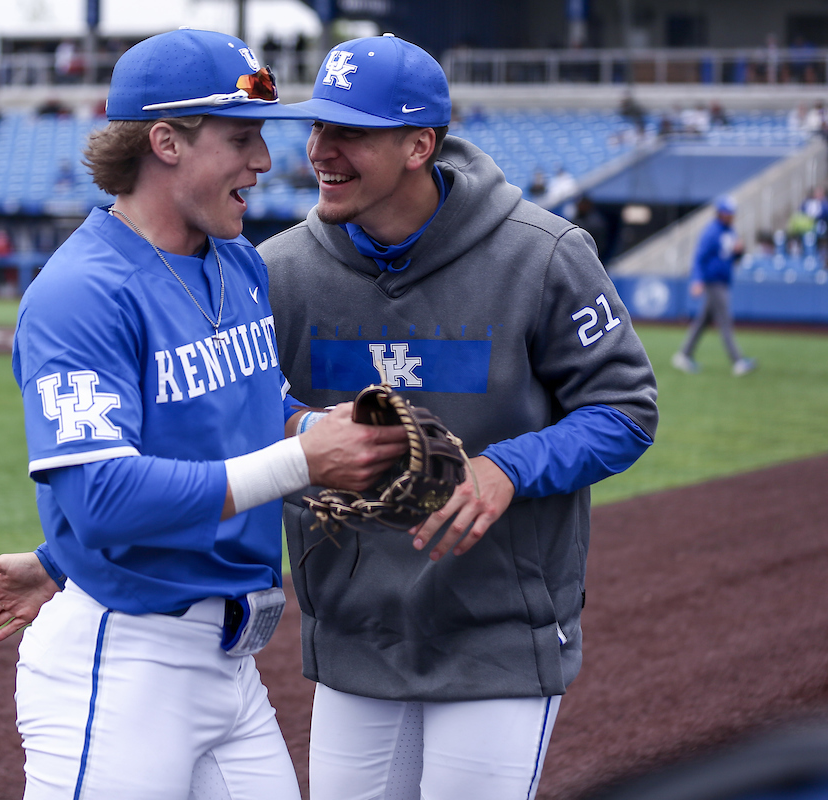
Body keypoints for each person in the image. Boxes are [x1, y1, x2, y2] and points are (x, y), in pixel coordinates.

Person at [0, 29, 406, 800]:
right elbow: (100, 498)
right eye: (240, 137)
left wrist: (319, 431)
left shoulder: (236, 262)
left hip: (231, 662)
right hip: (124, 664)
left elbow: (253, 411)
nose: (264, 161)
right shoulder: (81, 292)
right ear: (165, 141)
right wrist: (303, 461)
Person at [256, 35, 658, 799]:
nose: (319, 150)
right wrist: (301, 428)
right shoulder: (279, 271)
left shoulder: (544, 254)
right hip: (354, 631)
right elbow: (231, 413)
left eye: (350, 131)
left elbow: (625, 410)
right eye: (317, 126)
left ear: (419, 145)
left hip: (497, 631)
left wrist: (507, 467)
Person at [672, 195, 755, 376]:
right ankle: (738, 361)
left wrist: (739, 252)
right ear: (721, 213)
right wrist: (697, 280)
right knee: (725, 320)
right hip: (713, 281)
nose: (731, 216)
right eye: (728, 213)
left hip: (723, 280)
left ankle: (684, 354)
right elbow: (699, 257)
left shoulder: (730, 231)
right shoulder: (711, 232)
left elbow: (731, 256)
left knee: (703, 321)